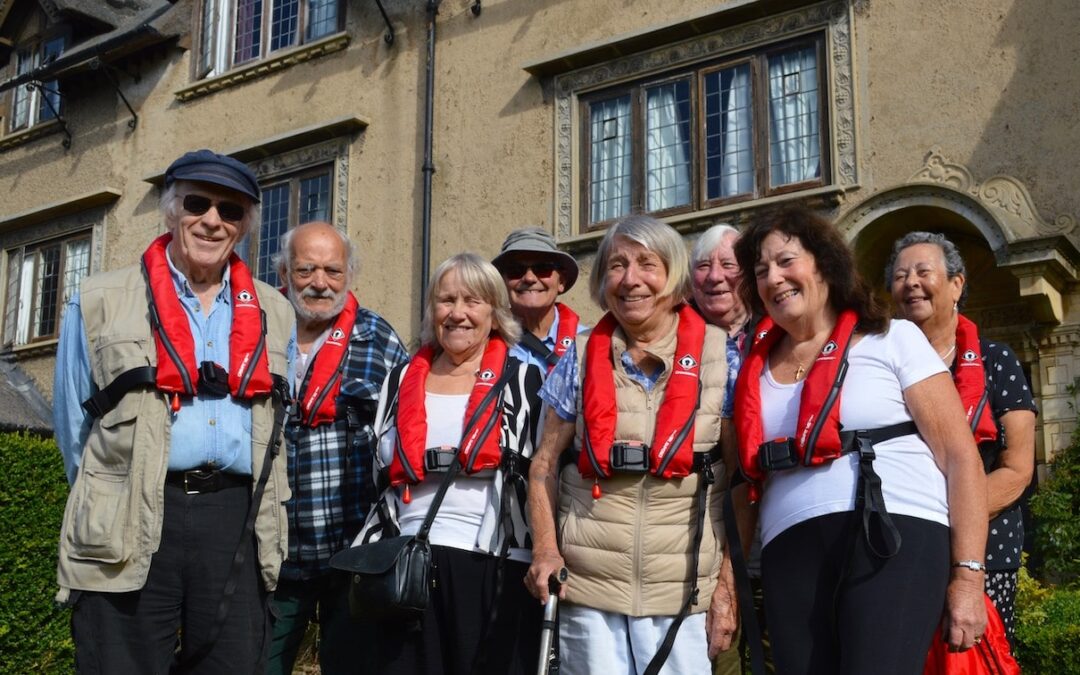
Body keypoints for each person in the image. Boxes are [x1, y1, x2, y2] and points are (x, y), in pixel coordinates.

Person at [53, 149, 296, 672]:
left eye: (230, 211)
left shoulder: (277, 310)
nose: (212, 220)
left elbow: (278, 424)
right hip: (133, 508)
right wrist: (114, 488)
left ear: (245, 225)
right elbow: (73, 426)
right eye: (198, 204)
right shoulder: (98, 298)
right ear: (171, 209)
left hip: (236, 519)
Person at [730, 207, 988, 674]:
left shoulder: (892, 338)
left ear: (826, 265)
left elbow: (960, 457)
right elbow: (742, 489)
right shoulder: (752, 370)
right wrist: (727, 584)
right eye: (761, 270)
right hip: (788, 551)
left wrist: (968, 576)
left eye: (787, 261)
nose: (774, 278)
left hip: (892, 535)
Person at [526, 214, 737, 674]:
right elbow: (542, 465)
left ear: (674, 278)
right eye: (617, 266)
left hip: (683, 595)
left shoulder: (723, 357)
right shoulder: (577, 358)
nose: (630, 279)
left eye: (647, 264)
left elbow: (740, 483)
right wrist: (546, 550)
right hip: (588, 594)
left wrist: (726, 587)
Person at [356, 253, 545, 674]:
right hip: (407, 571)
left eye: (472, 301)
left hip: (495, 568)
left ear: (495, 313)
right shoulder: (399, 380)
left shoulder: (524, 382)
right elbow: (378, 475)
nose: (457, 313)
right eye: (446, 300)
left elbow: (541, 475)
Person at [267, 222, 408, 675]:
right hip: (273, 550)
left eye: (332, 270)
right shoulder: (257, 330)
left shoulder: (378, 338)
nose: (320, 283)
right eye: (306, 269)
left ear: (350, 277)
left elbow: (407, 432)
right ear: (284, 273)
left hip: (353, 551)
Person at [886, 231, 1037, 643]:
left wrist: (943, 515)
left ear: (957, 284)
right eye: (900, 275)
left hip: (986, 551)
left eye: (923, 271)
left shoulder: (996, 360)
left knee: (975, 660)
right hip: (902, 546)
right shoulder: (880, 366)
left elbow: (1017, 469)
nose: (910, 282)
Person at [690, 225, 771, 675]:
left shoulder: (782, 336)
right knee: (717, 659)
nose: (715, 276)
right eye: (703, 266)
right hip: (702, 530)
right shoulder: (675, 340)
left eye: (728, 265)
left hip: (773, 528)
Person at [492, 227, 587, 371]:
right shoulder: (481, 343)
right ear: (502, 283)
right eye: (515, 270)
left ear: (561, 282)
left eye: (543, 268)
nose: (529, 278)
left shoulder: (588, 343)